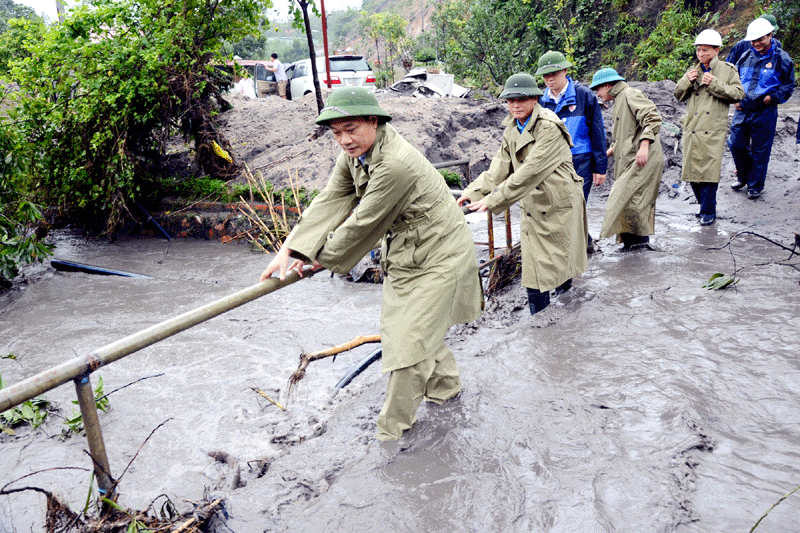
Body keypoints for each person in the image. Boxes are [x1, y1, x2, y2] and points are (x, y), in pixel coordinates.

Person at [260, 88, 482, 441]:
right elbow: (332, 198)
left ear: (374, 122)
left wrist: (319, 259)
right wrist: (293, 248)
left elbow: (365, 222)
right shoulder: (355, 155)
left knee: (408, 348)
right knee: (413, 331)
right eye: (336, 133)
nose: (344, 140)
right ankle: (447, 392)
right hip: (407, 253)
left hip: (438, 255)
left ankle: (390, 435)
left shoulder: (395, 163)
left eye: (351, 129)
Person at [457, 73, 587, 315]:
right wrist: (472, 194)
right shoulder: (513, 127)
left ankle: (559, 321)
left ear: (535, 100)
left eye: (522, 99)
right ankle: (545, 322)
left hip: (559, 203)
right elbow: (499, 167)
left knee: (562, 261)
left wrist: (492, 200)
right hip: (534, 204)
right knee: (536, 269)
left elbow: (529, 172)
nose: (515, 105)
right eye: (511, 100)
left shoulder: (549, 128)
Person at [536, 51, 607, 252]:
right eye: (546, 75)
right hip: (553, 162)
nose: (550, 79)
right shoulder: (541, 101)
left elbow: (597, 132)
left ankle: (576, 249)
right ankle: (585, 244)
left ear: (565, 71)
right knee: (558, 204)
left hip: (580, 160)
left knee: (576, 204)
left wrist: (600, 167)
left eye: (554, 73)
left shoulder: (584, 96)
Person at [674, 29, 744, 226]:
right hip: (692, 128)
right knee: (691, 174)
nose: (701, 54)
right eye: (698, 50)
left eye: (705, 50)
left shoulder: (727, 70)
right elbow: (678, 95)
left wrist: (715, 83)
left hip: (712, 128)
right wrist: (686, 81)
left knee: (708, 173)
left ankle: (708, 211)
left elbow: (738, 94)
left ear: (717, 50)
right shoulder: (692, 71)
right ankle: (704, 206)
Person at [589, 68, 664, 250]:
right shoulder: (619, 100)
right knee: (629, 203)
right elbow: (625, 137)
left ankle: (639, 245)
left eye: (597, 89)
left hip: (644, 159)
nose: (597, 94)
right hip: (631, 160)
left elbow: (652, 118)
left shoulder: (630, 93)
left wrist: (645, 145)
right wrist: (603, 156)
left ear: (607, 85)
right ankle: (633, 248)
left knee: (629, 201)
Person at [728, 17, 795, 200]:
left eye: (760, 39)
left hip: (765, 110)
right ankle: (743, 177)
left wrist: (772, 97)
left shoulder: (782, 58)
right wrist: (734, 97)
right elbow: (733, 78)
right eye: (753, 40)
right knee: (735, 144)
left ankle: (756, 185)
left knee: (760, 149)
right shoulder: (745, 56)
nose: (756, 43)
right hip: (742, 109)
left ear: (770, 36)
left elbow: (789, 85)